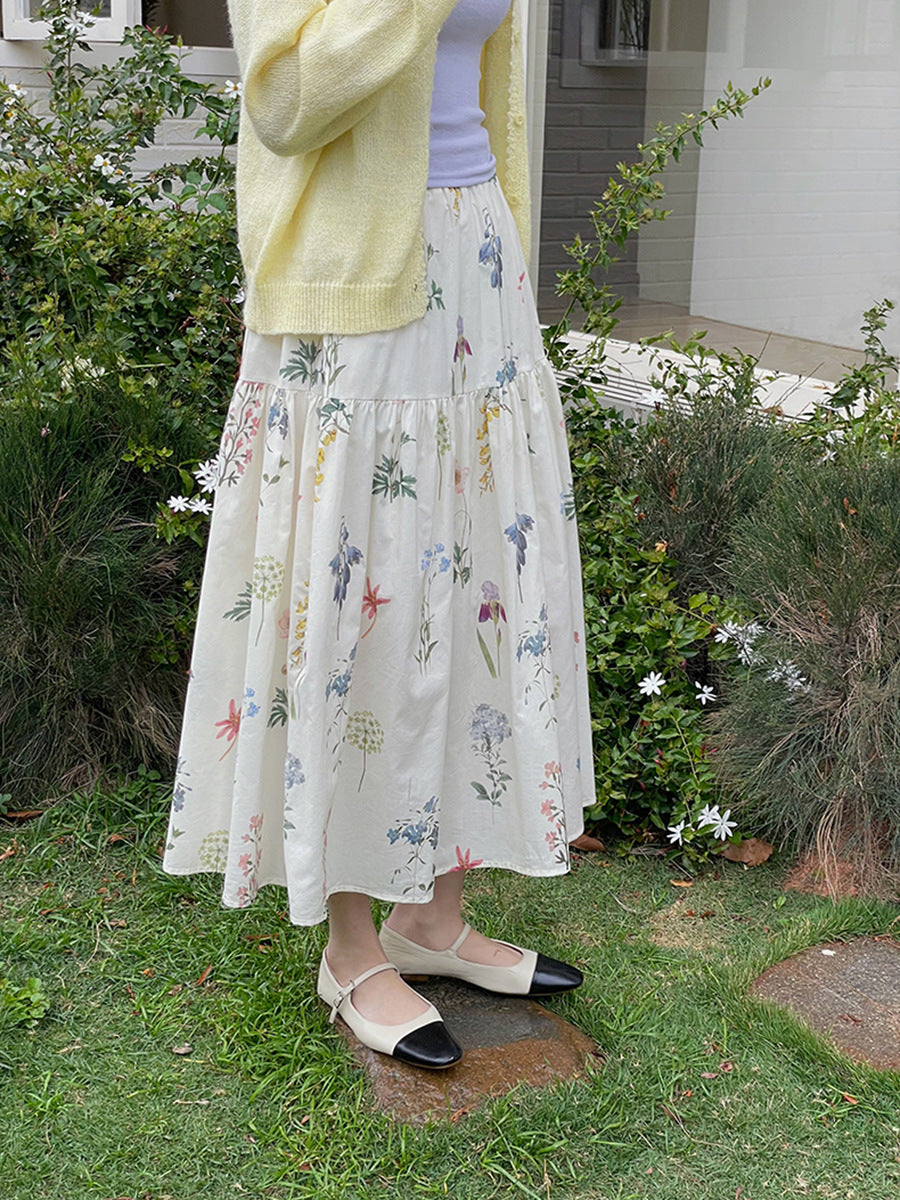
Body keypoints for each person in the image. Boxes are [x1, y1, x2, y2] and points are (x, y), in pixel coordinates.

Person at [162, 0, 596, 1070]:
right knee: (365, 595)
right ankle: (352, 948)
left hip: (477, 263)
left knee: (475, 573)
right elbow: (284, 100)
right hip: (351, 286)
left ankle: (432, 919)